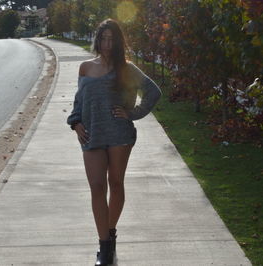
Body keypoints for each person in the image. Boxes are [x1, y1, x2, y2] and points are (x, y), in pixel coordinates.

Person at [66, 18, 162, 266]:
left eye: (112, 39)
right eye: (103, 38)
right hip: (92, 134)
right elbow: (80, 101)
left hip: (119, 133)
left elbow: (153, 91)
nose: (107, 44)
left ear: (118, 42)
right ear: (97, 40)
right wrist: (76, 122)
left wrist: (133, 113)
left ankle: (108, 242)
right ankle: (104, 244)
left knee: (115, 182)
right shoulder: (85, 67)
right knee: (97, 187)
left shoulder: (126, 68)